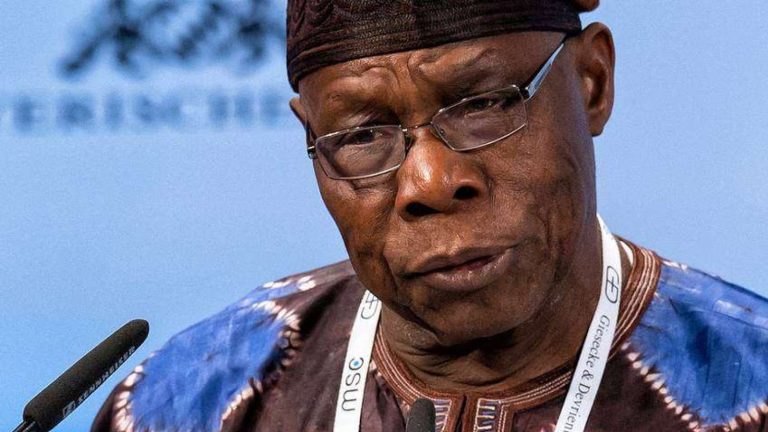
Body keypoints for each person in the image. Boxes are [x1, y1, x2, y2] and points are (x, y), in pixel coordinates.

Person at [92, 1, 768, 431]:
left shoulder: (751, 387)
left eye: (483, 104)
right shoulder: (193, 405)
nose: (431, 183)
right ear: (311, 140)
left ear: (592, 82)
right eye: (363, 135)